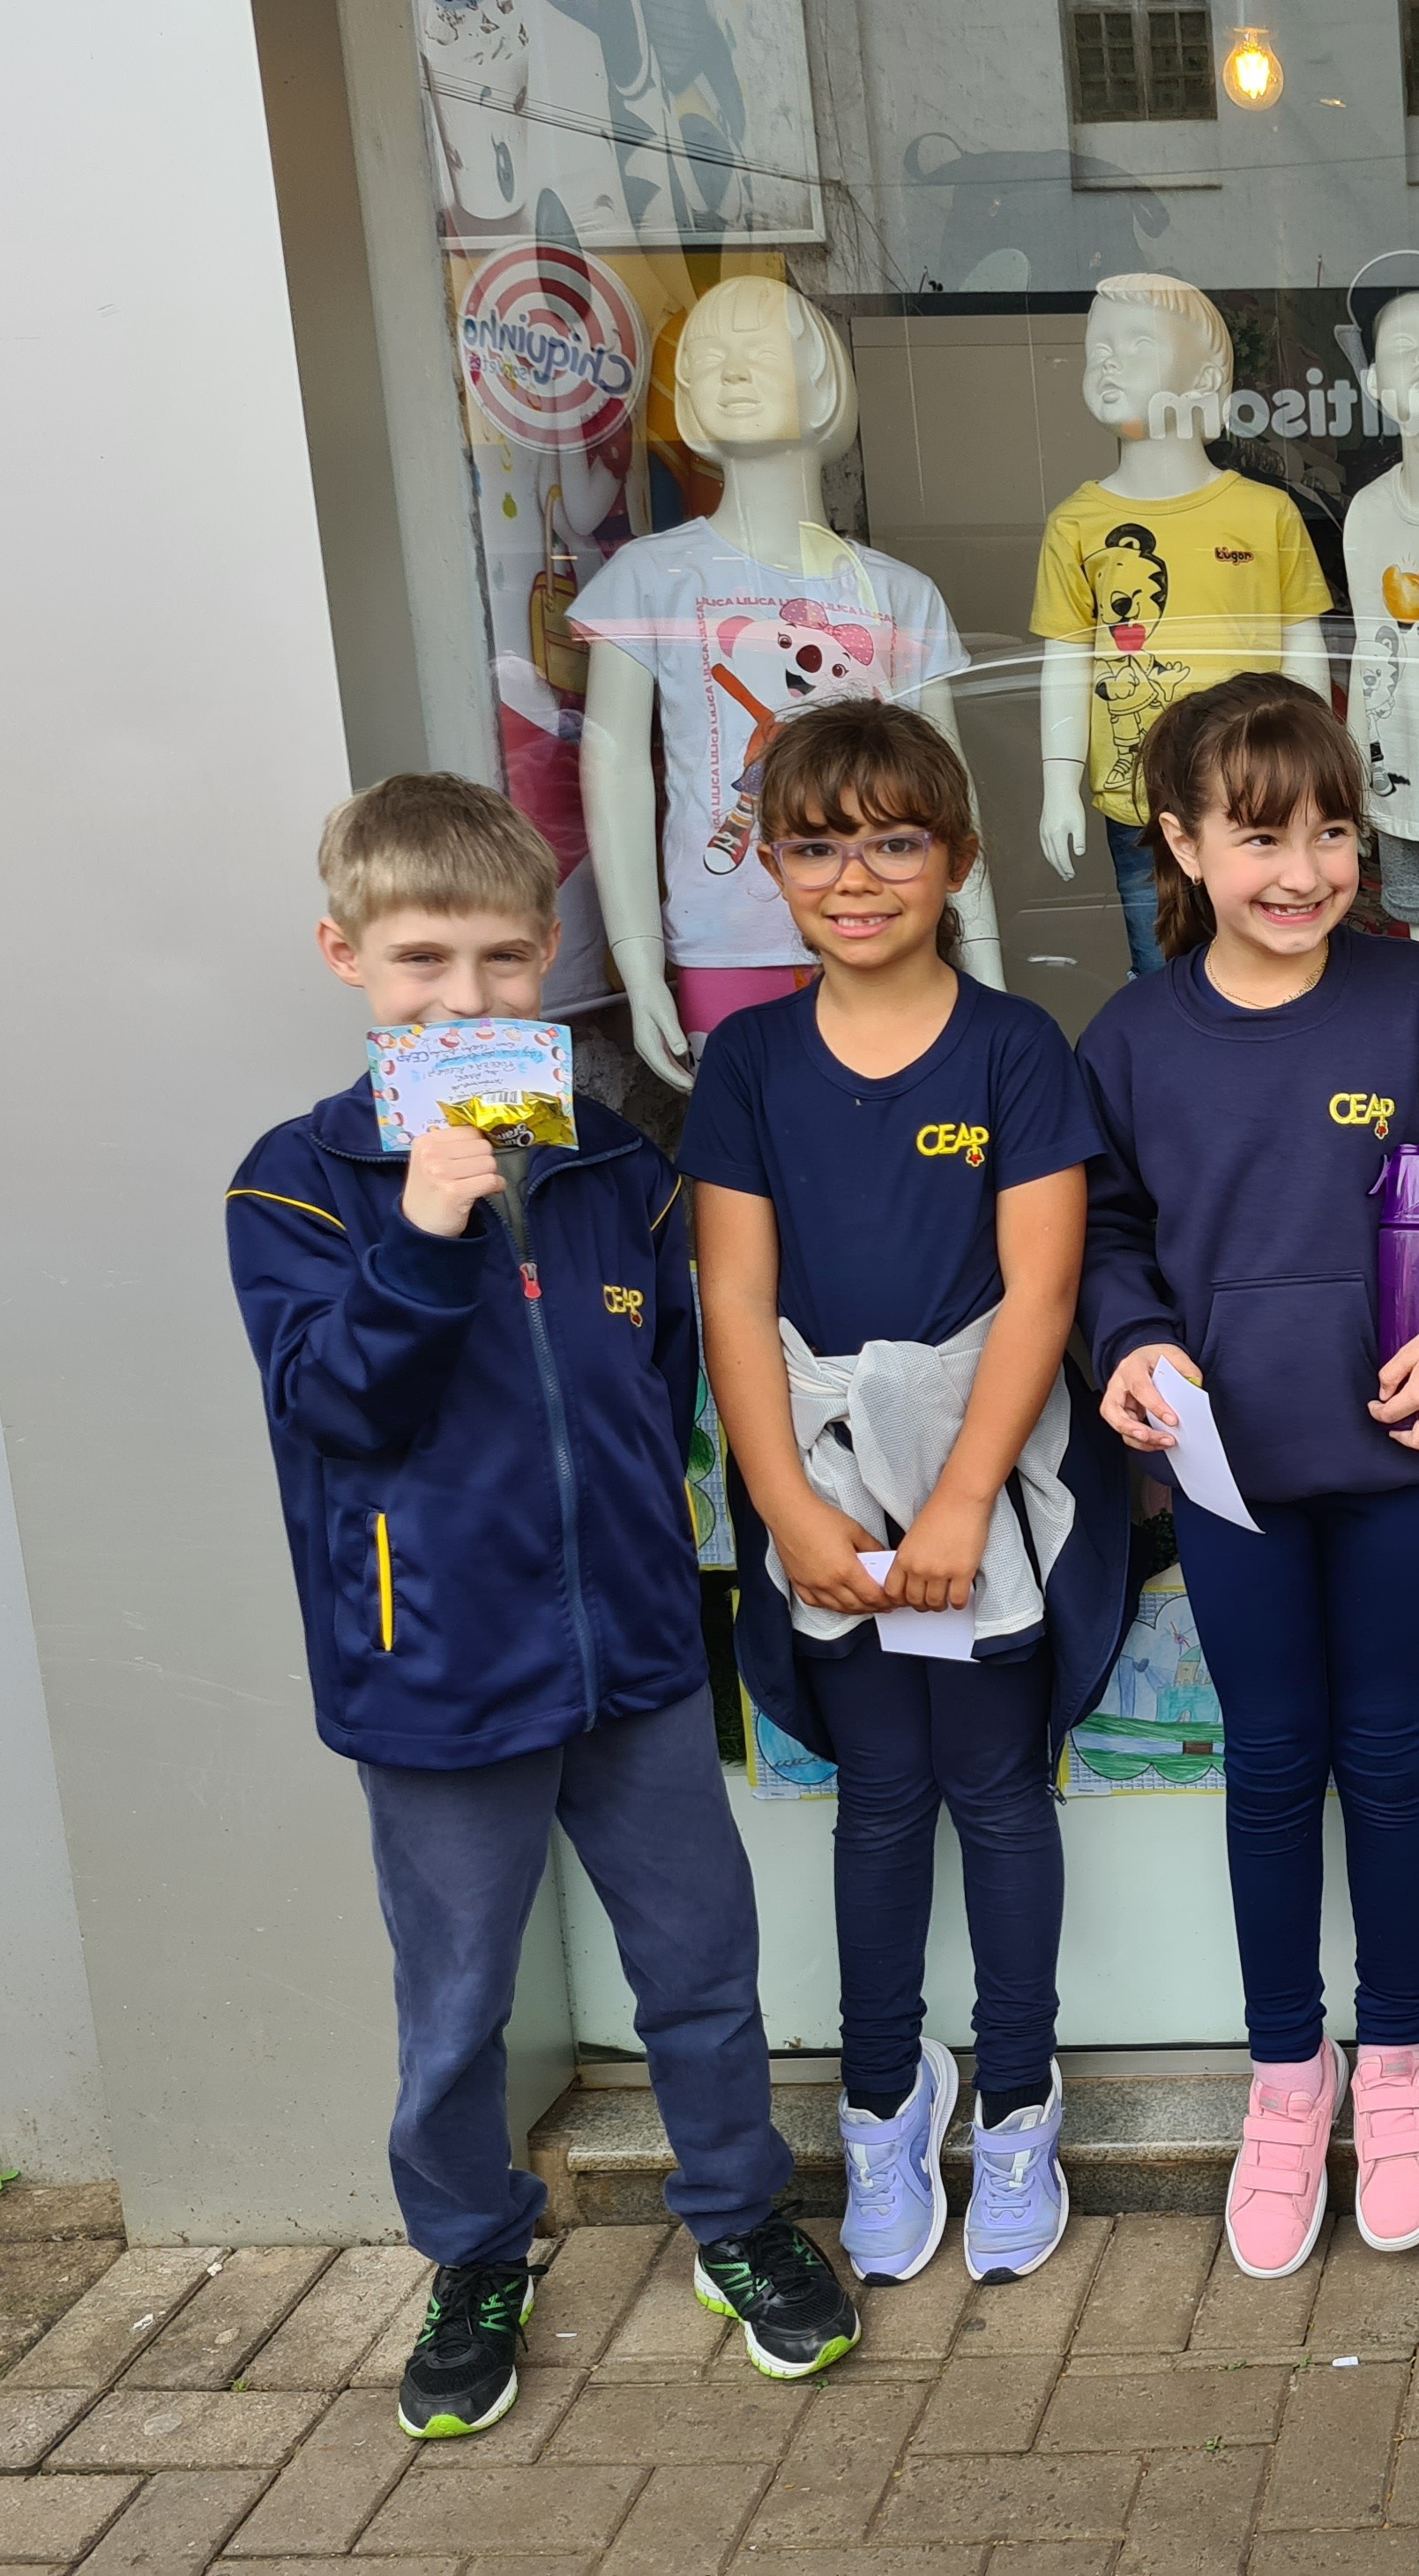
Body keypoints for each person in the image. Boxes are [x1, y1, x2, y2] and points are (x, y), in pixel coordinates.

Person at [227, 775, 856, 2433]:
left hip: (633, 1652)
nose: (468, 998)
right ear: (348, 958)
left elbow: (661, 1383)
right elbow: (335, 1404)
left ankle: (736, 2216)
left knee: (701, 1963)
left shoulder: (614, 1163)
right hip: (434, 1669)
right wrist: (428, 1233)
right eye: (422, 960)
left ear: (547, 958)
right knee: (457, 2006)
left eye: (505, 959)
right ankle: (472, 2252)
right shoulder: (296, 1183)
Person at [1079, 672, 1419, 2279]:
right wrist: (1132, 1339)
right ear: (1180, 845)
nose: (1303, 871)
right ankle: (1289, 2071)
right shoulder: (1132, 1038)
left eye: (1332, 833)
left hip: (1402, 1450)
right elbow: (1104, 1232)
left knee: (1388, 1751)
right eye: (1260, 837)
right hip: (1229, 1471)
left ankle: (1399, 2054)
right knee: (1272, 1762)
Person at [681, 701, 1116, 2292]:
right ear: (772, 865)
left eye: (892, 842)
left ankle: (1019, 2102)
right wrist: (789, 1511)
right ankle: (882, 2097)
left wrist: (961, 1502)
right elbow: (735, 1299)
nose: (854, 878)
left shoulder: (1015, 1048)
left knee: (996, 1794)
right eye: (816, 847)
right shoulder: (747, 1061)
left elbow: (1042, 1290)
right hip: (824, 1494)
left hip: (981, 1487)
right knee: (879, 1800)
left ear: (959, 858)